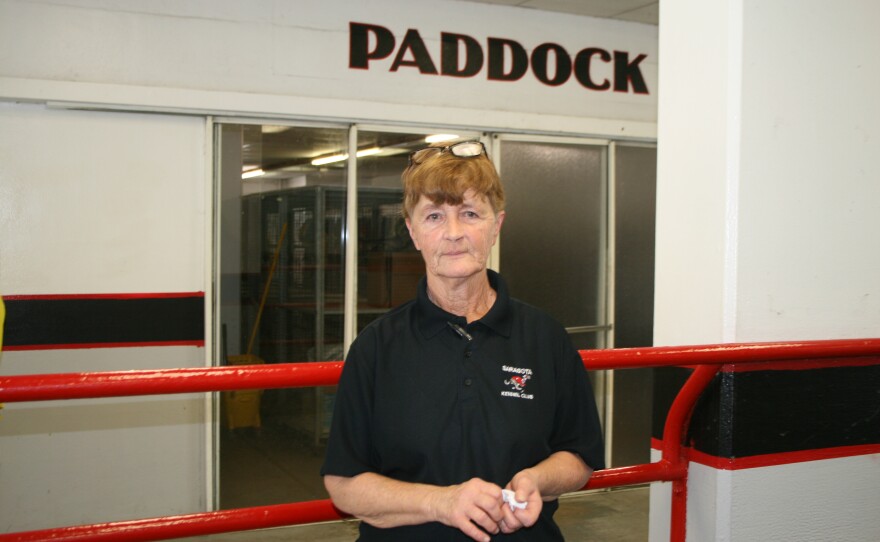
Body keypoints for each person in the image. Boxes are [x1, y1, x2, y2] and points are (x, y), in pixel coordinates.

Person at [321, 140, 605, 541]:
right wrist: (444, 502)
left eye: (470, 213)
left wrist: (535, 480)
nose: (454, 233)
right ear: (413, 231)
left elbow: (580, 455)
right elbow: (344, 485)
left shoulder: (545, 338)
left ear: (496, 226)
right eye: (434, 216)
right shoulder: (375, 348)